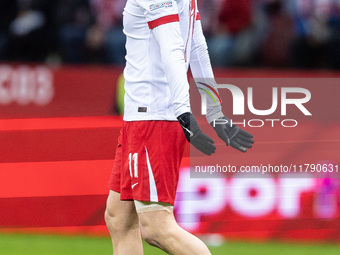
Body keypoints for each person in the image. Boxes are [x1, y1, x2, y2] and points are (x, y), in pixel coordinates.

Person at [104, 0, 254, 254]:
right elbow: (197, 48)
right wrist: (214, 110)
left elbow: (173, 50)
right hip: (142, 117)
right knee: (119, 217)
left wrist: (183, 111)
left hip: (153, 118)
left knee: (157, 227)